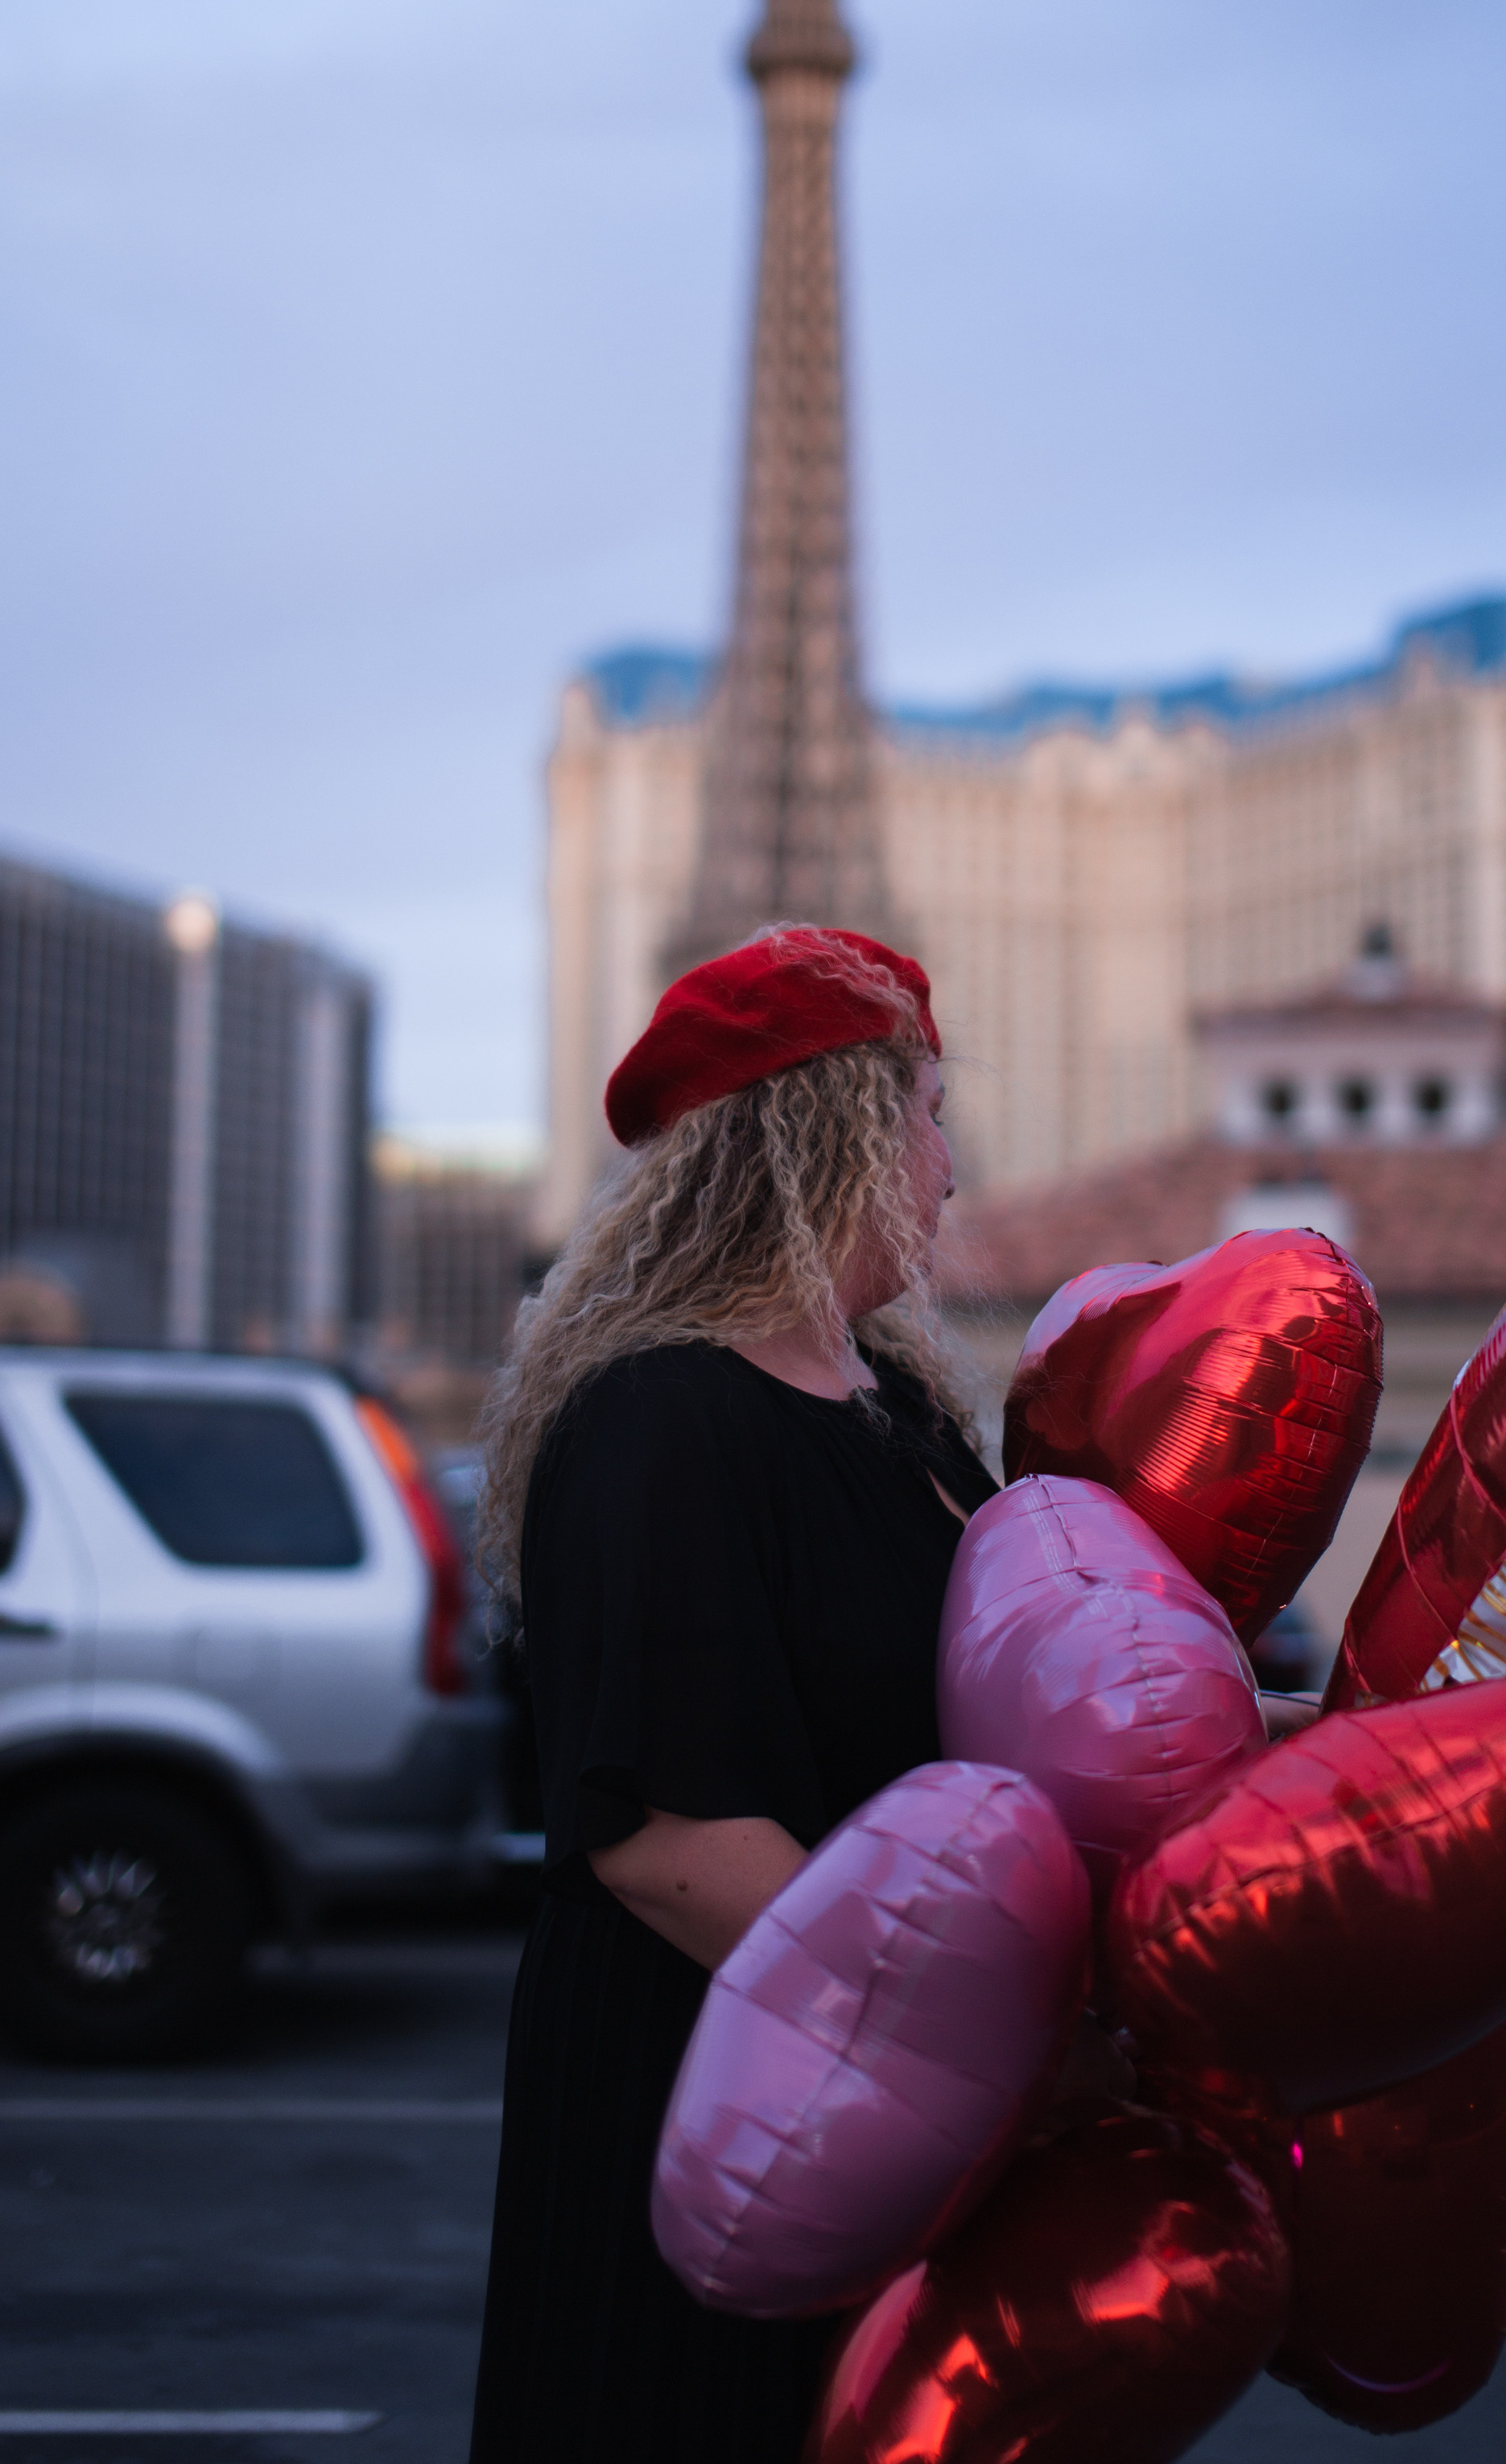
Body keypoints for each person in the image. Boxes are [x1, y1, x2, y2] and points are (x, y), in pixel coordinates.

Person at [468, 927, 999, 2464]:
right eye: (927, 1116)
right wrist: (989, 2040)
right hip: (718, 2111)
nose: (952, 1170)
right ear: (826, 1129)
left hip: (872, 2092)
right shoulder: (659, 1422)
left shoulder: (891, 1409)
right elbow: (672, 1847)